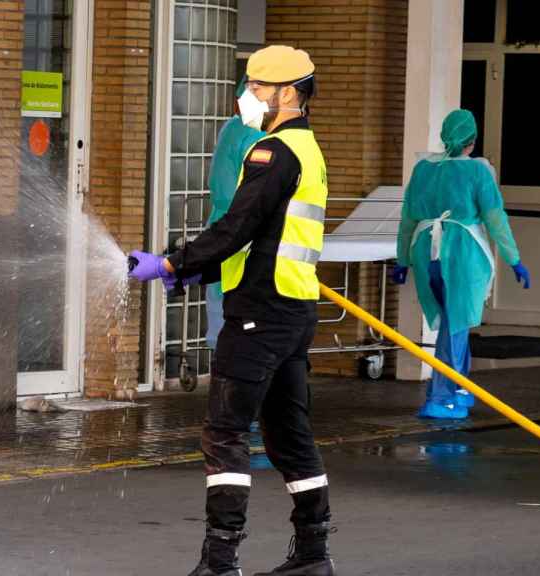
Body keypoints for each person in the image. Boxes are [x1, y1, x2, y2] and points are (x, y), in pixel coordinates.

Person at [130, 45, 336, 576]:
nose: (249, 96)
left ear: (288, 93)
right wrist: (203, 270)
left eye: (259, 87)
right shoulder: (309, 149)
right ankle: (314, 556)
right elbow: (267, 238)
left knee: (224, 432)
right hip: (292, 310)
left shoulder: (272, 152)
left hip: (259, 317)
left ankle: (220, 561)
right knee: (290, 435)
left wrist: (172, 265)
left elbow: (237, 227)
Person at [393, 109, 530, 420]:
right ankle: (442, 397)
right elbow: (495, 219)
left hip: (425, 249)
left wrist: (402, 259)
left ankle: (460, 388)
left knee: (456, 322)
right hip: (462, 253)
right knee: (456, 325)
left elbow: (406, 221)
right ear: (473, 140)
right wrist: (514, 259)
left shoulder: (423, 170)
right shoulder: (478, 172)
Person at [204, 77, 265, 349]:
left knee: (220, 311)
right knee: (237, 320)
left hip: (222, 227)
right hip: (242, 234)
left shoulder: (230, 129)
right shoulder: (256, 137)